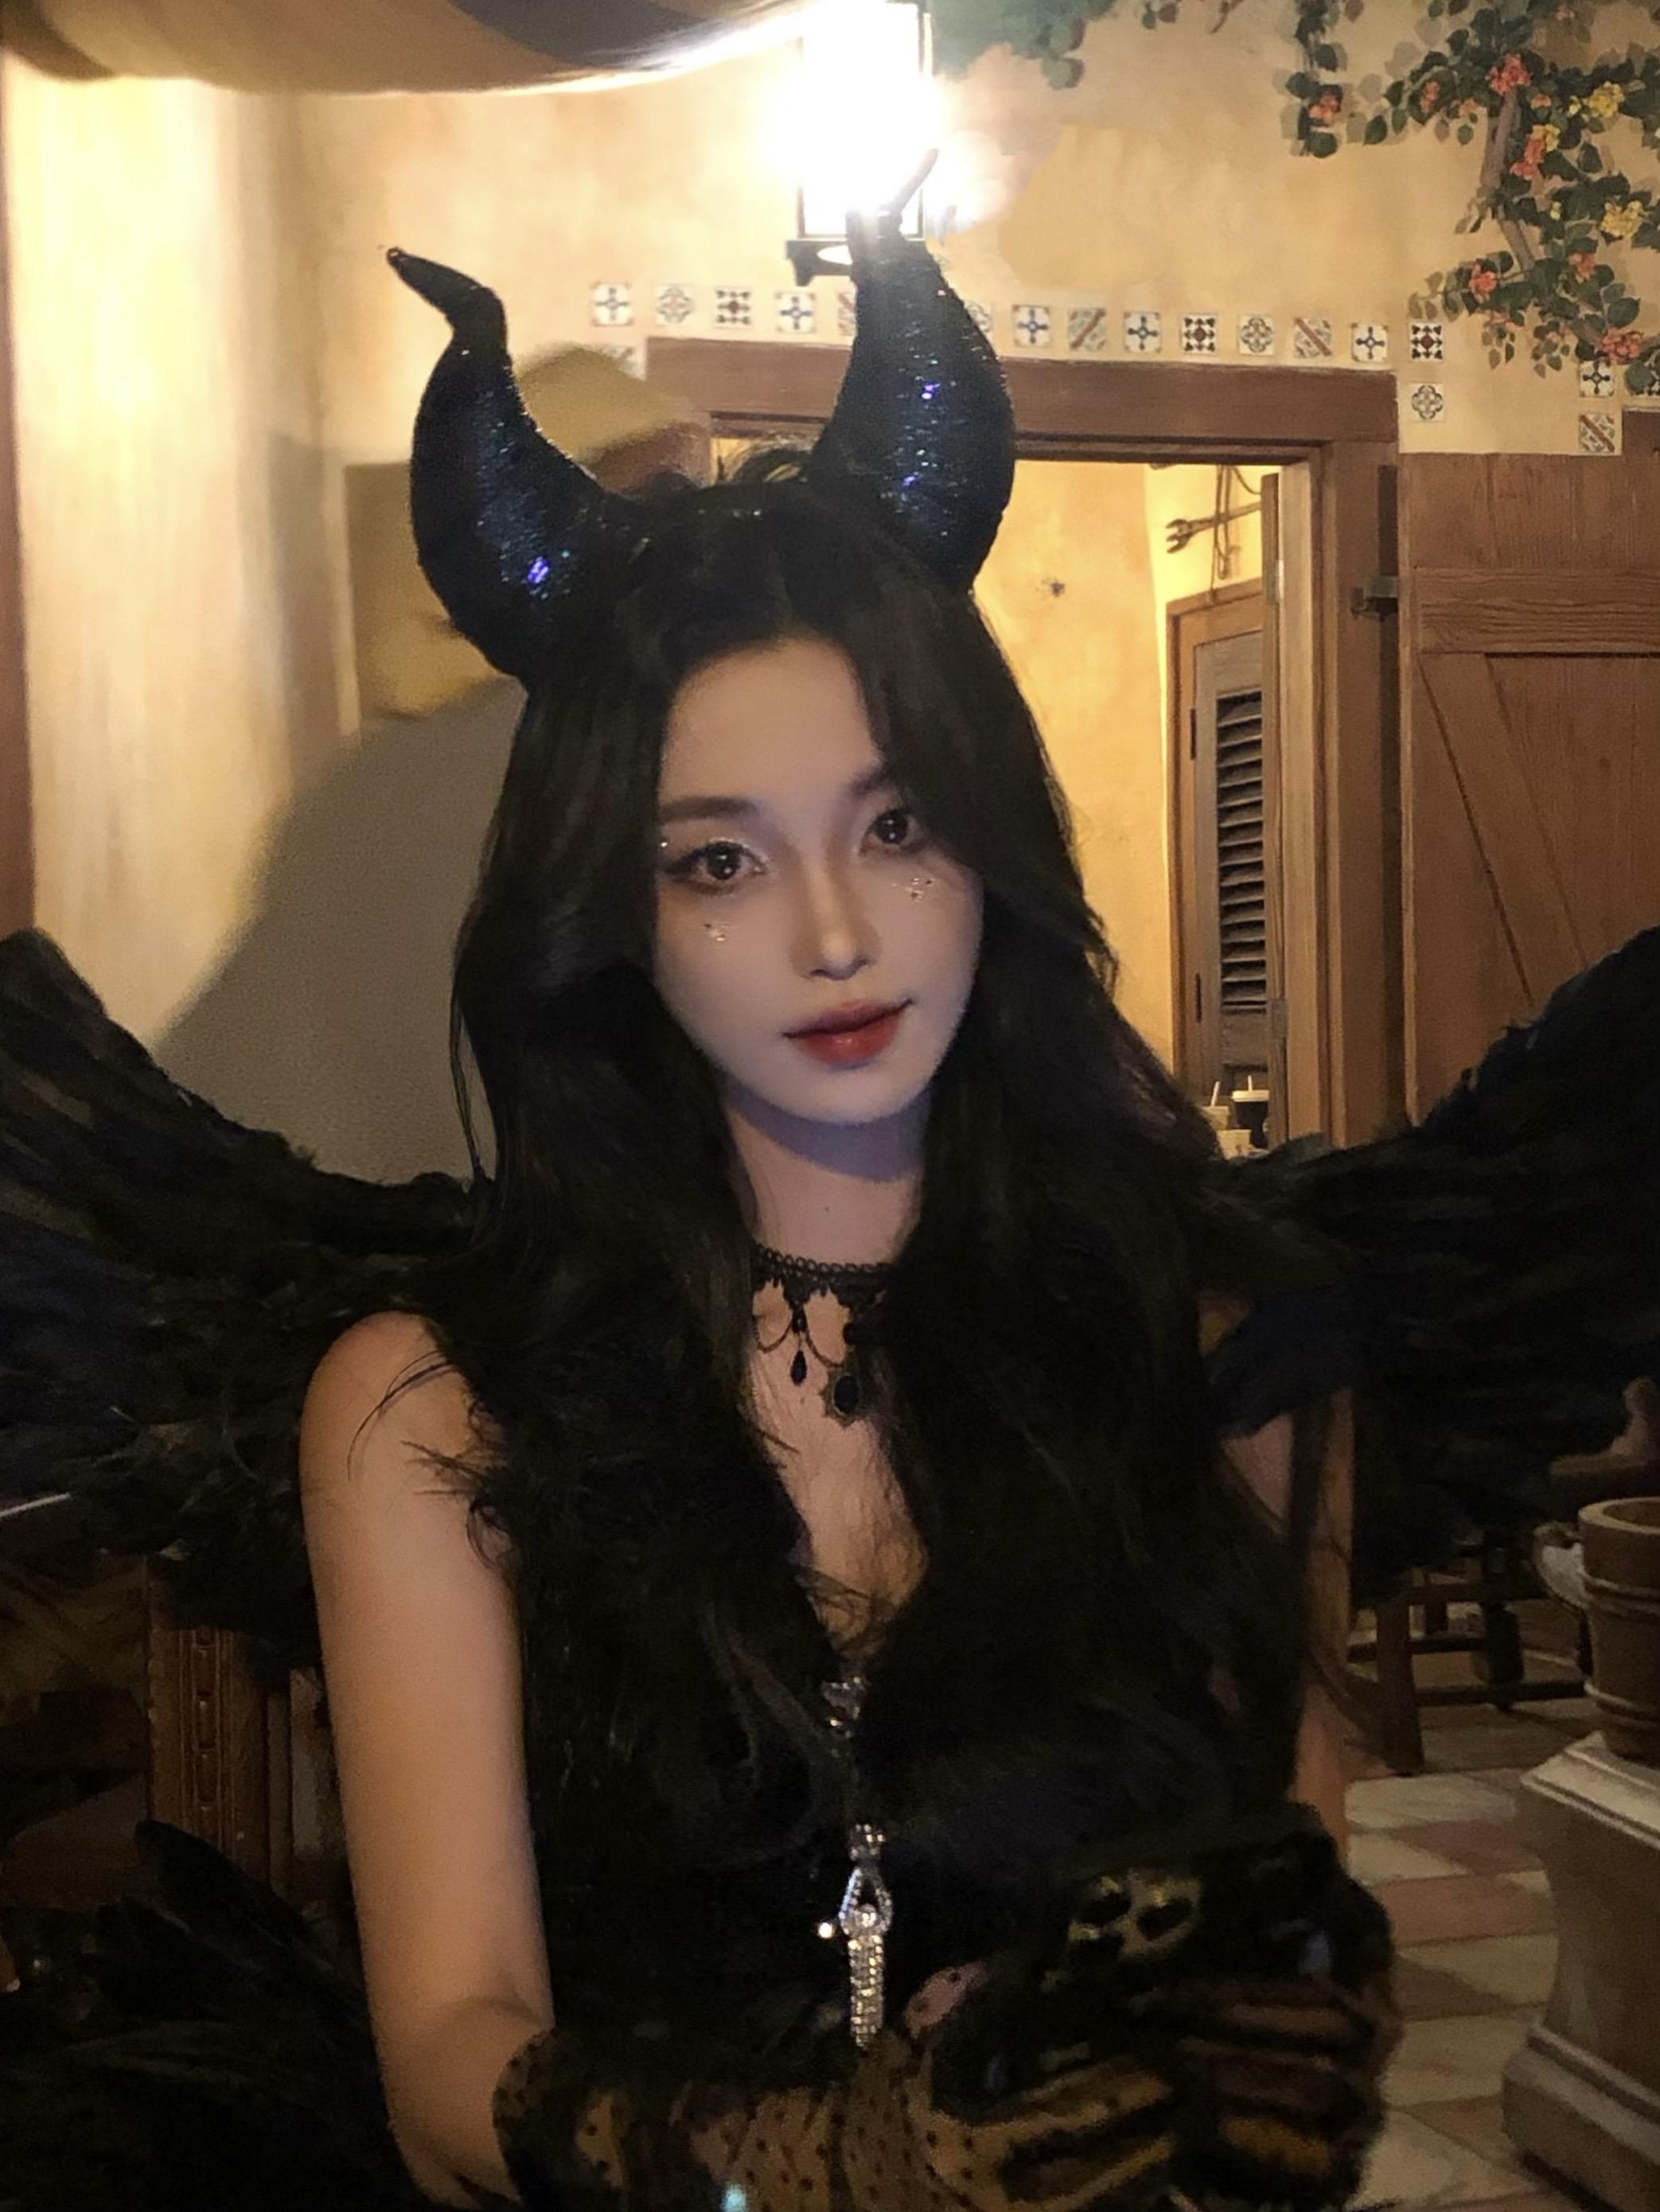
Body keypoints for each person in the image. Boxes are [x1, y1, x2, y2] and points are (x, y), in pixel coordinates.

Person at [0, 198, 1654, 2212]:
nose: (833, 931)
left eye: (896, 824)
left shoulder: (1226, 1340)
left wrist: (1218, 2054)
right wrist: (822, 2158)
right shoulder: (431, 1405)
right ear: (609, 912)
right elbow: (448, 2058)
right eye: (717, 860)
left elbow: (1266, 1942)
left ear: (990, 844)